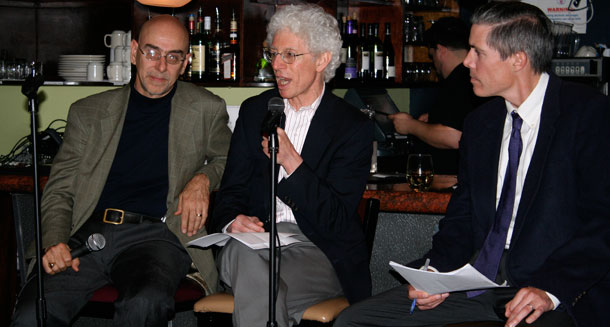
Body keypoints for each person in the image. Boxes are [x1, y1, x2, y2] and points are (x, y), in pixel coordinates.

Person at [335, 2, 610, 327]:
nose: (467, 62)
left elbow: (603, 223)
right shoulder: (481, 124)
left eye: (478, 52)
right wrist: (435, 272)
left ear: (518, 59)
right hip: (476, 283)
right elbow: (463, 218)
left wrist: (550, 290)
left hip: (551, 290)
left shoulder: (590, 115)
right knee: (355, 320)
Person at [11, 15, 232, 326]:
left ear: (185, 64)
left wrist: (203, 178)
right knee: (32, 313)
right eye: (152, 52)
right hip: (86, 233)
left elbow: (233, 160)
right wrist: (56, 239)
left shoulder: (206, 108)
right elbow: (61, 188)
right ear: (133, 52)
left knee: (145, 302)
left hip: (156, 237)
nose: (160, 66)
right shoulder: (88, 112)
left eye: (173, 57)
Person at [210, 4, 374, 327]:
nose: (277, 66)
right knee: (247, 260)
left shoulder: (351, 127)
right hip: (250, 246)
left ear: (322, 59)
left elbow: (338, 221)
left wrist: (292, 163)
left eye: (290, 55)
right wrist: (232, 221)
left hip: (317, 252)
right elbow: (228, 194)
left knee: (260, 288)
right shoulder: (255, 111)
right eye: (274, 54)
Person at [389, 16, 487, 174]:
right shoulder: (469, 79)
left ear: (440, 51)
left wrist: (410, 126)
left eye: (431, 55)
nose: (433, 62)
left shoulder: (459, 80)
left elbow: (453, 136)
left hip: (453, 180)